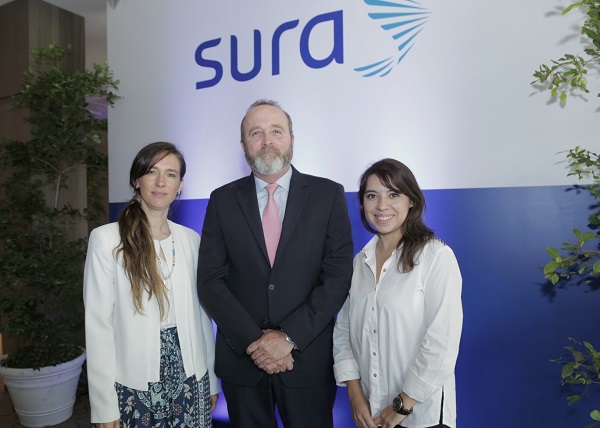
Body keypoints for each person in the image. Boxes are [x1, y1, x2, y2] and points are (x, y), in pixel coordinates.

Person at [197, 99, 354, 428]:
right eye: (256, 133)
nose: (267, 140)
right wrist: (256, 343)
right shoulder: (222, 200)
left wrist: (287, 339)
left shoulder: (328, 195)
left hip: (306, 361)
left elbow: (338, 277)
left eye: (276, 131)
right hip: (243, 361)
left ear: (292, 140)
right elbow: (211, 281)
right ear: (243, 145)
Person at [83, 142, 219, 427]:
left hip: (190, 378)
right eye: (152, 172)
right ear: (136, 179)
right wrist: (103, 405)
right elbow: (98, 326)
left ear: (180, 185)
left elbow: (202, 316)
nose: (160, 182)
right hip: (134, 382)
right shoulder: (107, 240)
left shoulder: (190, 240)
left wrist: (211, 378)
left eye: (171, 175)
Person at [333, 158, 463, 428]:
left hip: (422, 417)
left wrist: (402, 405)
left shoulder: (436, 257)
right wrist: (355, 394)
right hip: (373, 415)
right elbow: (344, 332)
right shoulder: (360, 262)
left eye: (393, 194)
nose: (382, 206)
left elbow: (442, 342)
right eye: (372, 196)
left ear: (411, 201)